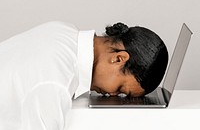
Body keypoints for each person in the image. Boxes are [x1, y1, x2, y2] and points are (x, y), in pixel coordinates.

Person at [0, 21, 168, 130]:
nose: (113, 95)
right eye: (120, 88)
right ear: (119, 59)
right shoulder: (56, 81)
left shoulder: (64, 30)